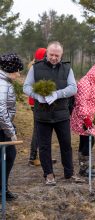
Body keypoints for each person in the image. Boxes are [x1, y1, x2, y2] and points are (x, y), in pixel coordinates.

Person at [23, 41, 79, 185]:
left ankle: (69, 173)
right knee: (44, 146)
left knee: (66, 144)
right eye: (51, 54)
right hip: (42, 114)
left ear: (62, 55)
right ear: (47, 53)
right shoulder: (36, 68)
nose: (54, 57)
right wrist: (37, 96)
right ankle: (48, 174)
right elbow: (26, 87)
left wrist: (57, 94)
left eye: (57, 55)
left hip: (62, 114)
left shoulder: (67, 68)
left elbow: (73, 88)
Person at [71, 62, 95, 177]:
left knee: (86, 141)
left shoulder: (94, 83)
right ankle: (84, 167)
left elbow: (94, 101)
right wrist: (86, 119)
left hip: (90, 118)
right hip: (84, 118)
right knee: (88, 141)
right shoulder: (85, 83)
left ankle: (84, 166)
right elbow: (81, 103)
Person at [0, 53, 23, 200]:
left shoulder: (4, 81)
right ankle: (2, 190)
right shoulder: (2, 84)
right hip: (1, 128)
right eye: (17, 70)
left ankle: (3, 188)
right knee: (8, 156)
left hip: (3, 127)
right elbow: (0, 110)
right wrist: (10, 131)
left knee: (8, 156)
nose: (19, 74)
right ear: (10, 69)